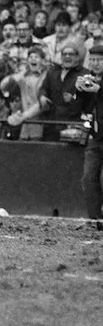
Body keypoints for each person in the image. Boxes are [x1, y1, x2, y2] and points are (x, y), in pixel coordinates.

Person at [76, 44, 103, 219]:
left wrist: (99, 90)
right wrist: (78, 91)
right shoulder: (89, 79)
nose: (95, 63)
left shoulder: (97, 85)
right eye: (92, 59)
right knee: (88, 178)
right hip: (96, 136)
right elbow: (77, 107)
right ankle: (94, 219)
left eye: (99, 60)